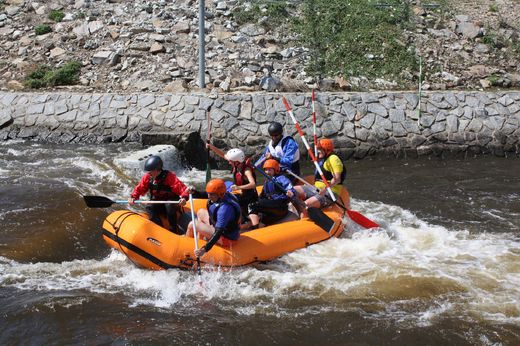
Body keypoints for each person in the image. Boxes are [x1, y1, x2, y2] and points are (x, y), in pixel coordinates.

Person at [129, 155, 190, 234]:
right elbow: (140, 188)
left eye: (150, 171)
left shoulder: (169, 177)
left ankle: (173, 228)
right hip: (159, 202)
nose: (149, 173)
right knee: (149, 207)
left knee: (169, 205)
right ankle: (158, 227)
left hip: (171, 203)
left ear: (157, 170)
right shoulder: (148, 177)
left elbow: (183, 189)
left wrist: (184, 198)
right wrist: (133, 197)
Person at [186, 179, 242, 257]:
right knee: (200, 212)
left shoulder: (225, 209)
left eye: (211, 194)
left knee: (192, 224)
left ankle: (186, 248)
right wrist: (194, 192)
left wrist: (204, 249)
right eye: (209, 193)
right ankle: (200, 239)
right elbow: (205, 194)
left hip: (227, 238)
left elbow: (218, 232)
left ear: (220, 194)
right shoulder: (223, 194)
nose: (209, 196)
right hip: (222, 228)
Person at [206, 145, 258, 220]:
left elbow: (253, 184)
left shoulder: (246, 171)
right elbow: (223, 155)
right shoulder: (236, 165)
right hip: (243, 195)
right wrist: (211, 147)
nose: (229, 163)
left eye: (231, 161)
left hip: (251, 198)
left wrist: (238, 187)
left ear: (237, 162)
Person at [294, 138, 346, 209]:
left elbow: (337, 179)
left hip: (329, 193)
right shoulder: (323, 159)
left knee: (305, 205)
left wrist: (325, 189)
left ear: (326, 150)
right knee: (292, 190)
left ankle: (305, 213)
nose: (318, 151)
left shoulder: (333, 159)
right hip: (316, 189)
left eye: (320, 149)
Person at [247, 159, 296, 229]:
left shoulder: (281, 178)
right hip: (272, 206)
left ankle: (255, 227)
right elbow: (262, 195)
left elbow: (290, 188)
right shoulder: (267, 181)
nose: (267, 172)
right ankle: (254, 227)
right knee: (257, 208)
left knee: (252, 206)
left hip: (280, 206)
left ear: (275, 170)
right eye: (266, 170)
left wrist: (291, 192)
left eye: (269, 170)